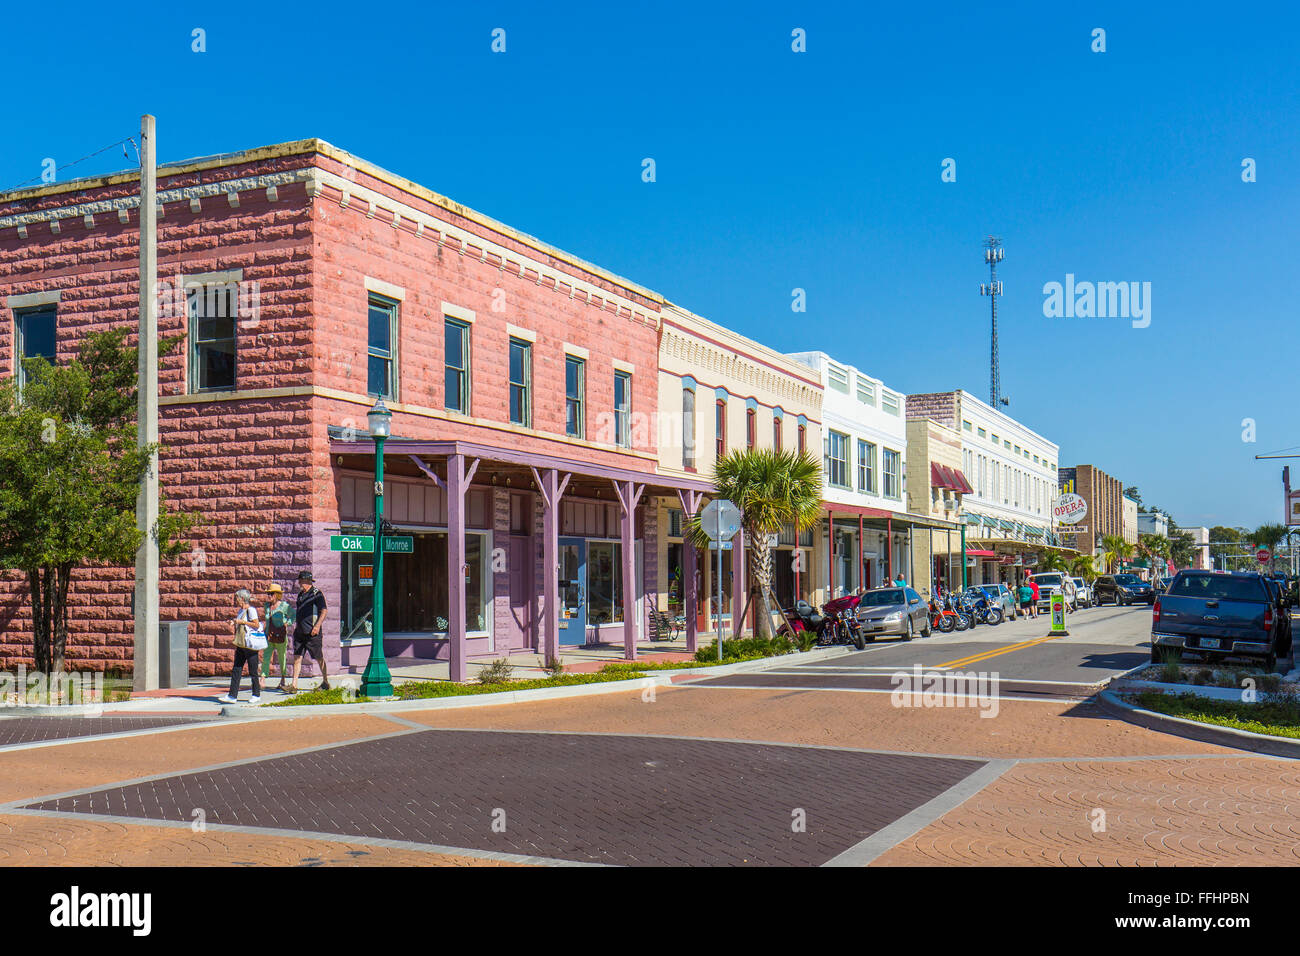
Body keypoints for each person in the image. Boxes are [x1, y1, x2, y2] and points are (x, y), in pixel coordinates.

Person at [289, 571, 330, 692]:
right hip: (300, 632)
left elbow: (324, 611)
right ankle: (294, 685)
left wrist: (317, 626)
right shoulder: (301, 594)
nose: (299, 583)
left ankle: (325, 682)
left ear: (306, 581)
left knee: (319, 657)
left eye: (300, 581)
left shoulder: (317, 594)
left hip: (312, 632)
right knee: (297, 657)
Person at [220, 589, 261, 704]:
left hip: (250, 644)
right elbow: (240, 622)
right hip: (241, 644)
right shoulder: (240, 611)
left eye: (237, 598)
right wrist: (234, 622)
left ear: (242, 599)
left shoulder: (251, 610)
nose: (236, 600)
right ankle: (232, 695)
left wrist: (242, 622)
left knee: (253, 671)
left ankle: (256, 694)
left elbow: (256, 625)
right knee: (236, 669)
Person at [262, 583, 292, 692]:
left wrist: (287, 623)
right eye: (268, 593)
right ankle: (263, 678)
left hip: (280, 636)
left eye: (271, 593)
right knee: (266, 657)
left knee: (281, 657)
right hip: (269, 635)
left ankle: (283, 679)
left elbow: (293, 616)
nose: (269, 595)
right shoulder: (266, 606)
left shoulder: (284, 606)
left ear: (277, 595)